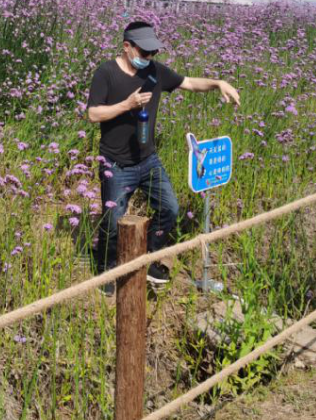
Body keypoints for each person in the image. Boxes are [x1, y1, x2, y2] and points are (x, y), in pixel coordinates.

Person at [86, 21, 241, 285]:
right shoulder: (106, 73)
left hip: (148, 160)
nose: (150, 58)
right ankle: (107, 268)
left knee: (170, 208)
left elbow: (189, 83)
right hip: (116, 164)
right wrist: (126, 105)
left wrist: (218, 83)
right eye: (145, 53)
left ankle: (144, 257)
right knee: (112, 223)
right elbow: (93, 114)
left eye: (153, 53)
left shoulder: (155, 73)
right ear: (127, 47)